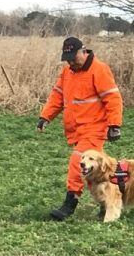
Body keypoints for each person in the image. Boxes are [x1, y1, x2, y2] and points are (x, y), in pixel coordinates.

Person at [37, 36, 123, 220]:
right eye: (66, 59)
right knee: (98, 169)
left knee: (78, 163)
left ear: (83, 51)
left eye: (72, 58)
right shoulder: (67, 72)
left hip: (94, 129)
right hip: (76, 130)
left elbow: (112, 98)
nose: (70, 62)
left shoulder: (99, 70)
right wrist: (45, 116)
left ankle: (70, 204)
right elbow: (57, 96)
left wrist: (114, 125)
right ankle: (107, 203)